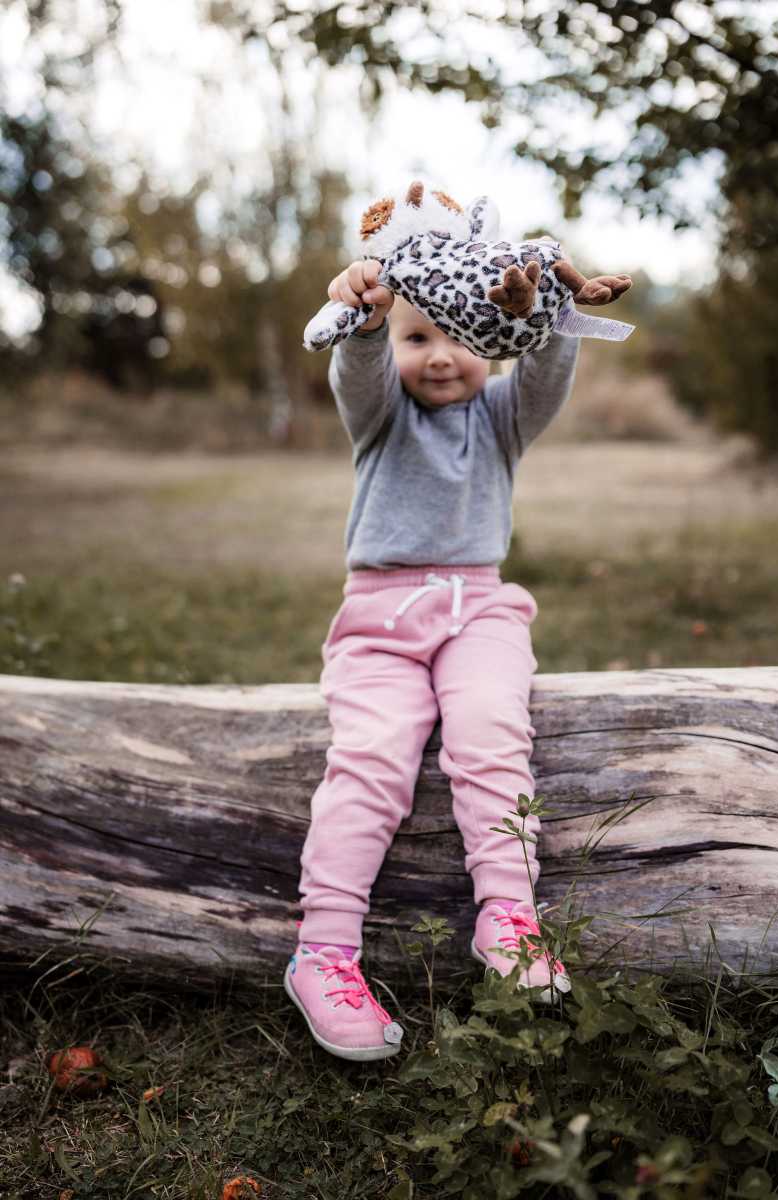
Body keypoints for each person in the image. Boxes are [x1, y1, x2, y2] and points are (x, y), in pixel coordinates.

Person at [284, 257, 578, 1061]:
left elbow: (546, 368)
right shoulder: (383, 418)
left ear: (491, 341)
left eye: (460, 336)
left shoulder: (501, 417)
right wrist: (373, 319)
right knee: (375, 754)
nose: (441, 354)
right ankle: (325, 951)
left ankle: (509, 918)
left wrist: (540, 312)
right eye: (419, 336)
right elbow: (362, 367)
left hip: (480, 608)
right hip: (383, 615)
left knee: (489, 728)